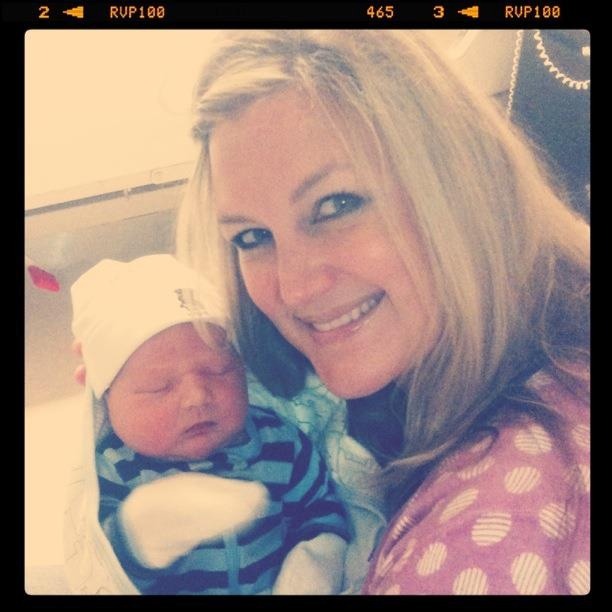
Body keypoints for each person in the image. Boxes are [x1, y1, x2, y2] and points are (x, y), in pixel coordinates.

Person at [73, 30, 589, 595]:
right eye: (251, 236)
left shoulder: (489, 534)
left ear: (459, 183)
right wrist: (143, 353)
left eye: (337, 205)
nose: (294, 290)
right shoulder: (434, 362)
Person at [69, 254, 350, 595]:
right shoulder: (115, 468)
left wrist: (315, 560)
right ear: (106, 399)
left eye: (219, 371)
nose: (197, 397)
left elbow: (319, 509)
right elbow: (94, 566)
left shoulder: (279, 443)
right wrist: (138, 535)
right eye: (159, 387)